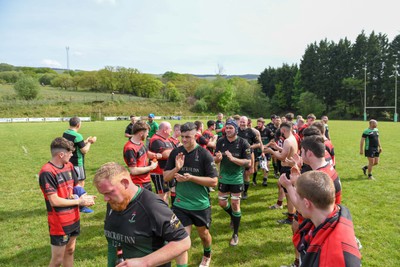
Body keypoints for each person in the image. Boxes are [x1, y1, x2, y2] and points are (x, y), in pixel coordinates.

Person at [93, 162, 191, 267]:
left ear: (125, 183)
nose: (105, 199)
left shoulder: (152, 206)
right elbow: (113, 243)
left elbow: (183, 242)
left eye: (109, 192)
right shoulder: (115, 202)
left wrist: (144, 262)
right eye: (103, 194)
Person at [164, 122, 219, 267]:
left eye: (188, 137)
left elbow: (214, 181)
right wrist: (176, 169)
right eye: (182, 136)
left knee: (204, 235)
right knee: (181, 241)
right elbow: (166, 177)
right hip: (180, 204)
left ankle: (207, 254)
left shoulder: (204, 154)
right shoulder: (176, 152)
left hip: (200, 205)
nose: (184, 140)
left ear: (195, 135)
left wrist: (191, 178)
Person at [279, 171, 361, 267]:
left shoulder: (331, 257)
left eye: (297, 197)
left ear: (306, 203)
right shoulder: (335, 216)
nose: (295, 202)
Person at [39, 137, 95, 267]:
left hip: (74, 218)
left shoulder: (69, 166)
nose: (72, 155)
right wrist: (79, 202)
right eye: (70, 153)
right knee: (57, 260)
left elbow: (76, 185)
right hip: (59, 223)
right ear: (61, 154)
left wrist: (85, 196)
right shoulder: (47, 172)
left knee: (70, 251)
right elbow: (54, 201)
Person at [214, 119, 251, 246]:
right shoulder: (220, 141)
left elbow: (248, 162)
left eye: (231, 128)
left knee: (235, 204)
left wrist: (233, 158)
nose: (228, 130)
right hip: (223, 177)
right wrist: (217, 159)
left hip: (236, 178)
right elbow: (215, 159)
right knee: (222, 203)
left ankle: (235, 234)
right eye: (227, 128)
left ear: (235, 129)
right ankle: (234, 217)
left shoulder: (243, 143)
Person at [265, 122, 298, 224]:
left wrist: (271, 151)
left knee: (289, 195)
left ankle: (291, 217)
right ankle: (289, 211)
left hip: (287, 169)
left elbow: (282, 157)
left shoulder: (287, 141)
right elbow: (287, 152)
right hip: (289, 168)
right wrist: (277, 148)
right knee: (281, 185)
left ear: (283, 130)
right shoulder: (293, 139)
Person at [62, 116, 96, 213]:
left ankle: (71, 201)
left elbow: (76, 144)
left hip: (68, 162)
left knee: (71, 183)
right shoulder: (78, 136)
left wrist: (84, 141)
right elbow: (84, 150)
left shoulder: (65, 133)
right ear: (78, 125)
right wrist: (90, 142)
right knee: (80, 183)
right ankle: (82, 205)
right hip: (77, 163)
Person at [123, 120, 162, 191]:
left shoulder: (140, 143)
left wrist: (156, 155)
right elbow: (133, 170)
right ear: (141, 133)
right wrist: (151, 167)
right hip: (138, 184)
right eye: (147, 133)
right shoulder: (130, 148)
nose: (148, 135)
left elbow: (146, 153)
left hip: (146, 181)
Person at [149, 121, 175, 203]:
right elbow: (165, 154)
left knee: (168, 192)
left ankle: (168, 212)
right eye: (170, 128)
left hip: (167, 171)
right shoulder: (156, 140)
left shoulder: (166, 140)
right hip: (159, 173)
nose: (171, 130)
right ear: (165, 130)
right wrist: (177, 151)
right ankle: (161, 213)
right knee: (162, 196)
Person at [237, 116, 262, 199]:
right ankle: (237, 191)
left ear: (247, 122)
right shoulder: (235, 130)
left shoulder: (251, 131)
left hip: (248, 155)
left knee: (246, 174)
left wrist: (249, 147)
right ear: (239, 122)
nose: (242, 123)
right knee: (237, 174)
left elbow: (258, 143)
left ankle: (245, 192)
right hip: (237, 156)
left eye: (244, 122)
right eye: (241, 121)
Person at [254, 117, 274, 186]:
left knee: (266, 164)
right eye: (258, 124)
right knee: (256, 165)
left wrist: (266, 145)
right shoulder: (255, 129)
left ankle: (265, 179)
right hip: (257, 150)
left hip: (266, 150)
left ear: (263, 124)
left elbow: (272, 140)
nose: (258, 125)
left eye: (260, 124)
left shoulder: (268, 130)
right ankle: (254, 179)